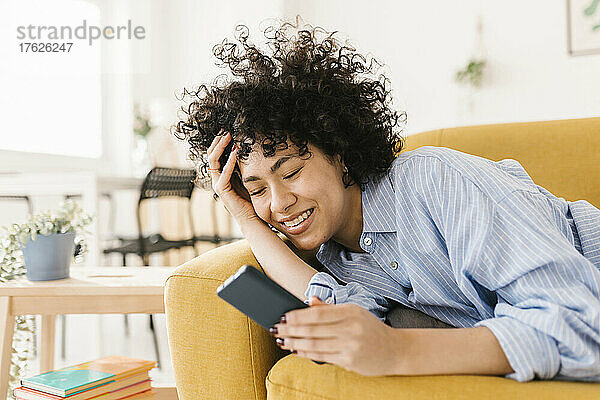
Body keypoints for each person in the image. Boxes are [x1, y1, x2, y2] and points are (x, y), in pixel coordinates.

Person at [172, 20, 600, 382]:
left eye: (291, 171)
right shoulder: (334, 254)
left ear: (338, 152)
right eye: (259, 188)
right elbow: (351, 317)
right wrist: (246, 217)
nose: (280, 203)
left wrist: (397, 350)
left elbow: (583, 326)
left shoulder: (435, 183)